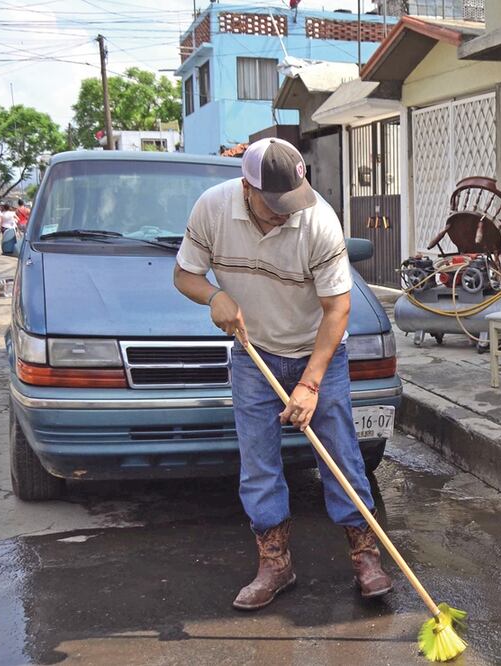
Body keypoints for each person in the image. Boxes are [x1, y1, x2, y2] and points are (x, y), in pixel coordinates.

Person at [173, 138, 392, 611]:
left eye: (291, 203)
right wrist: (214, 297)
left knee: (341, 457)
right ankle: (275, 564)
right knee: (259, 464)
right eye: (274, 205)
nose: (284, 213)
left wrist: (310, 383)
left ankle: (366, 557)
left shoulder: (318, 220)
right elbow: (184, 275)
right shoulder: (213, 210)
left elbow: (339, 309)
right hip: (255, 356)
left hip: (319, 351)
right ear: (247, 189)